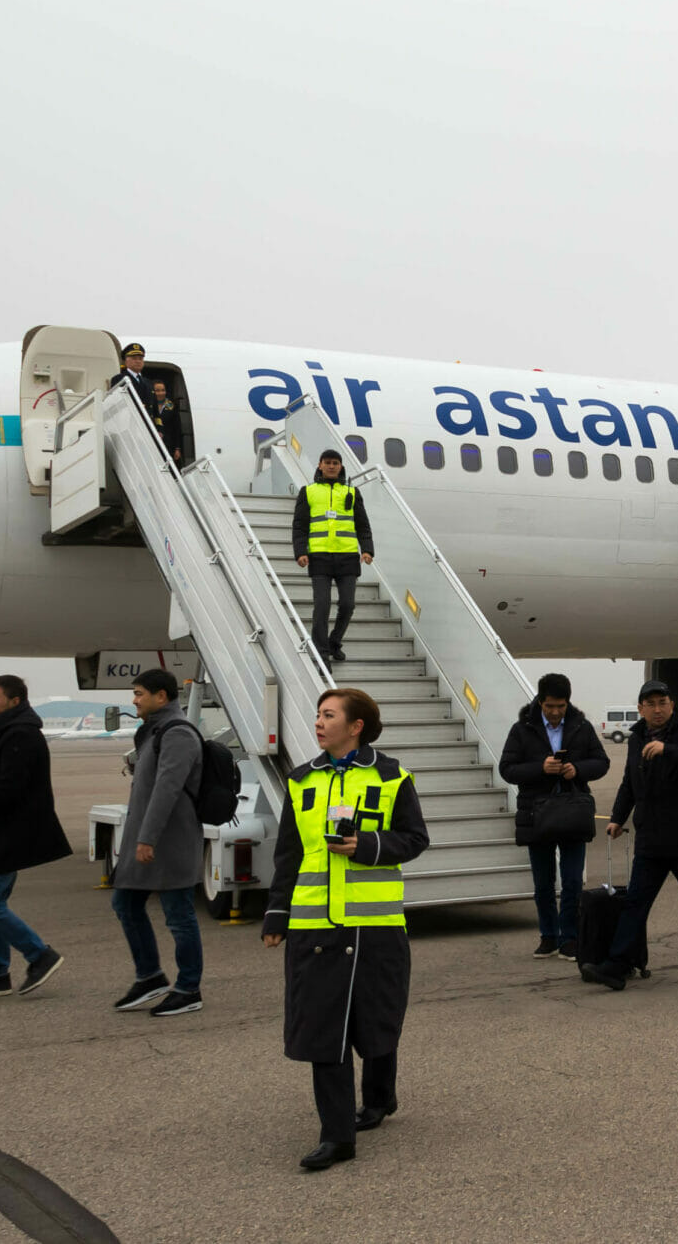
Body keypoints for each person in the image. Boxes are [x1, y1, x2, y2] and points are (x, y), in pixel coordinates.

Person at [263, 689, 431, 1172]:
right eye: (317, 714)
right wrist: (277, 915)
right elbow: (289, 855)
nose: (318, 722)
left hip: (376, 924)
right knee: (324, 1029)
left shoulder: (392, 776)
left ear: (356, 726)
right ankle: (336, 1137)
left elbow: (415, 839)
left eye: (328, 715)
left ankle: (379, 1099)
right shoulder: (300, 782)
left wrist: (366, 846)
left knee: (376, 1020)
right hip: (315, 925)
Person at [587, 679, 678, 989]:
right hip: (650, 840)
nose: (657, 709)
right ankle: (617, 965)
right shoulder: (636, 738)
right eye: (650, 704)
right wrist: (617, 818)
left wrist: (668, 750)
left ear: (672, 705)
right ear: (641, 708)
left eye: (662, 702)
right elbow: (629, 782)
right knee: (636, 902)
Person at [0, 675, 71, 1000]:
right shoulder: (5, 731)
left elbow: (9, 788)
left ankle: (39, 955)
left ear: (14, 701)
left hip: (8, 833)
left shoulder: (21, 735)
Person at [111, 669, 207, 1017]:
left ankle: (188, 987)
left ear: (161, 696)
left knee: (179, 915)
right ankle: (150, 976)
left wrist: (147, 838)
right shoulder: (155, 730)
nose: (134, 700)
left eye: (139, 693)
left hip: (169, 840)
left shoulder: (178, 733)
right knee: (125, 904)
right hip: (148, 838)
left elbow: (167, 789)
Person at [496, 673, 610, 960]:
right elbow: (507, 769)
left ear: (568, 702)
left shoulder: (581, 727)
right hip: (538, 813)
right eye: (550, 707)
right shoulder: (522, 729)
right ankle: (549, 935)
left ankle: (570, 937)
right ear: (540, 702)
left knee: (572, 881)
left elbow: (601, 762)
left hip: (572, 812)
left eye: (561, 706)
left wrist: (577, 770)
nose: (556, 712)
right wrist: (540, 768)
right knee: (543, 882)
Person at [293, 451, 375, 665]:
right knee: (322, 605)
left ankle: (334, 642)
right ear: (320, 465)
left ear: (341, 466)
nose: (331, 466)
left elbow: (363, 525)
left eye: (335, 463)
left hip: (347, 557)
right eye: (327, 463)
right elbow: (300, 527)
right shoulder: (308, 492)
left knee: (348, 605)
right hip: (319, 557)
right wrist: (301, 551)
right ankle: (321, 653)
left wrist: (367, 549)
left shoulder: (352, 492)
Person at [148, 379, 188, 463]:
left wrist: (177, 448)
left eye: (163, 390)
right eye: (157, 391)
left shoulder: (171, 406)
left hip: (168, 445)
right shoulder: (148, 405)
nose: (161, 393)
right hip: (151, 443)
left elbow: (177, 428)